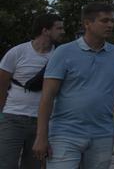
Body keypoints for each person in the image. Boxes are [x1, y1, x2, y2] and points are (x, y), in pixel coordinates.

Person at [32, 2, 114, 169]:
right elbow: (47, 95)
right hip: (65, 133)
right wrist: (41, 135)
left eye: (112, 21)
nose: (110, 25)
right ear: (87, 23)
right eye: (104, 20)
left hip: (102, 133)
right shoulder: (64, 52)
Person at [0, 13, 65, 169]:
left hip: (42, 122)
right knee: (5, 163)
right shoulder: (18, 52)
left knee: (34, 165)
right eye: (59, 28)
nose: (63, 31)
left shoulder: (60, 55)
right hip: (13, 117)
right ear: (45, 30)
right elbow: (1, 85)